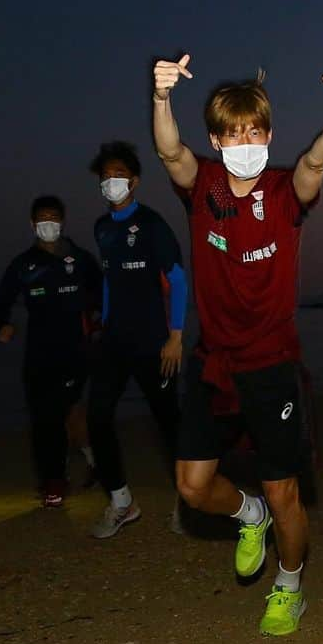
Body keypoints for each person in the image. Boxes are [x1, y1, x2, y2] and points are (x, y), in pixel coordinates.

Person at [152, 53, 323, 636]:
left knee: (284, 490)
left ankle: (289, 586)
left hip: (272, 364)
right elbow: (170, 152)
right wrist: (161, 97)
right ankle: (247, 516)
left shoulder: (284, 189)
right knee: (192, 490)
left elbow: (316, 164)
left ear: (267, 134)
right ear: (216, 139)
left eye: (255, 130)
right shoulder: (204, 186)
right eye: (233, 132)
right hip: (214, 360)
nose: (246, 140)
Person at [87, 141, 188, 539]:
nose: (111, 182)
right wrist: (104, 323)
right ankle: (121, 501)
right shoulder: (101, 228)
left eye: (118, 175)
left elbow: (177, 279)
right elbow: (111, 281)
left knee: (169, 424)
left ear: (134, 181)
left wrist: (176, 337)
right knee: (98, 417)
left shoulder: (151, 224)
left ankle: (188, 499)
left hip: (154, 343)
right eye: (105, 176)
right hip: (114, 341)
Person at [0, 195, 102, 507]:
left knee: (63, 411)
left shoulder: (80, 260)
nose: (48, 224)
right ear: (33, 224)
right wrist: (3, 323)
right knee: (44, 419)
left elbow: (103, 293)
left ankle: (69, 472)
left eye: (53, 218)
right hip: (38, 354)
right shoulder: (23, 264)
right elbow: (2, 299)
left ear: (63, 222)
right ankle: (53, 482)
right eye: (42, 219)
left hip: (75, 351)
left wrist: (101, 323)